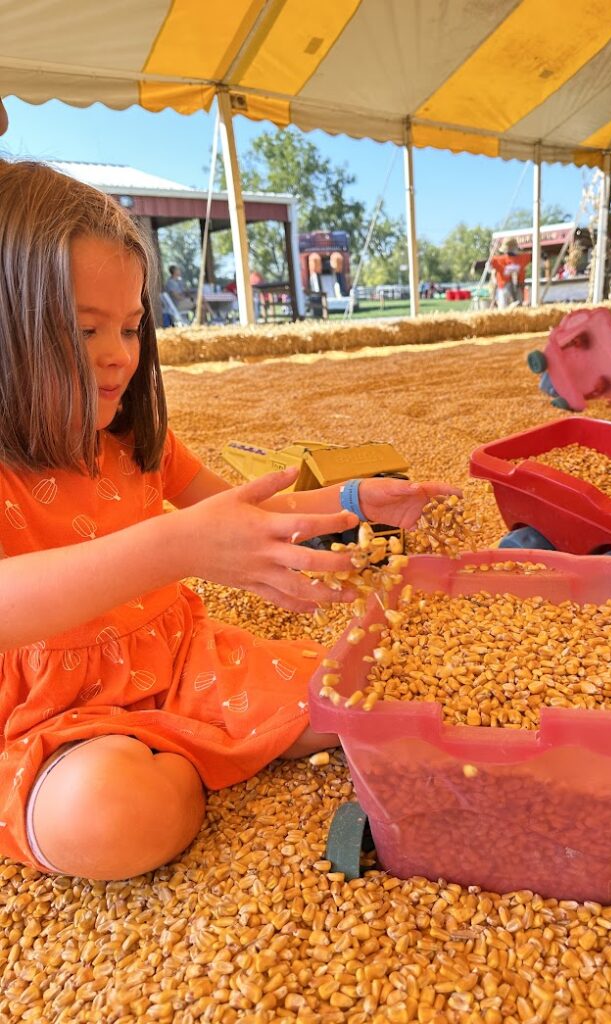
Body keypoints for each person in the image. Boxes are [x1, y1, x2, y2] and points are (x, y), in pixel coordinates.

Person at [0, 160, 457, 882]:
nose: (118, 355)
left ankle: (182, 743)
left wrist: (353, 503)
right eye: (85, 329)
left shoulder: (131, 439)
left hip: (178, 660)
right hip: (41, 714)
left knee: (356, 695)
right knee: (111, 817)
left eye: (130, 326)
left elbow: (249, 513)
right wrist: (174, 545)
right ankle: (186, 757)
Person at [490, 240, 531, 308]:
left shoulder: (522, 257)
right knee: (505, 307)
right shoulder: (500, 259)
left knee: (517, 306)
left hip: (518, 287)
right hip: (504, 288)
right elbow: (490, 264)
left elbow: (533, 256)